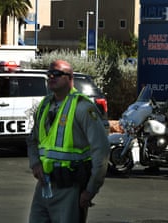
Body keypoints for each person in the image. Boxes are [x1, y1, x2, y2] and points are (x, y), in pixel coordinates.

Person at [27, 60, 110, 223]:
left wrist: (90, 190)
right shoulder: (44, 105)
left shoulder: (83, 108)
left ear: (70, 77)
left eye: (57, 74)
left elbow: (101, 152)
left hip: (70, 188)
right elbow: (32, 140)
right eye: (49, 74)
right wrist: (35, 164)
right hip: (45, 186)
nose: (51, 77)